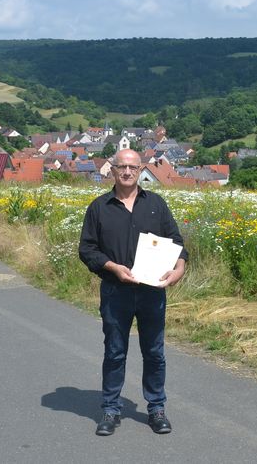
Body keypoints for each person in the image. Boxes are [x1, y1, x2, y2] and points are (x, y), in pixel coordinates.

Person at [79, 149, 187, 437]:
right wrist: (112, 267)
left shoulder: (156, 204)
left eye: (133, 167)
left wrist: (179, 269)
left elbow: (176, 242)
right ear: (112, 170)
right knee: (115, 352)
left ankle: (156, 409)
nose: (127, 172)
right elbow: (87, 249)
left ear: (140, 170)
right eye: (122, 167)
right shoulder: (99, 208)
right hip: (116, 291)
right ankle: (110, 410)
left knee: (154, 353)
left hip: (152, 292)